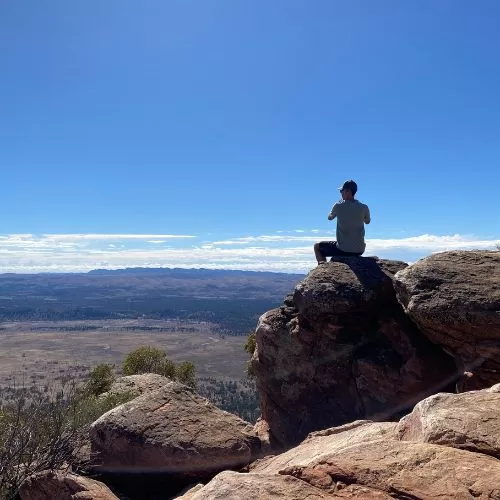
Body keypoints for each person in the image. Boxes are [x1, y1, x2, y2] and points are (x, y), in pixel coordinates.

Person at [314, 180, 371, 264]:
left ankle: (323, 267)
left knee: (317, 246)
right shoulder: (364, 207)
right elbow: (367, 221)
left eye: (342, 191)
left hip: (343, 249)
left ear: (348, 191)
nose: (340, 193)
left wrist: (334, 209)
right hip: (360, 250)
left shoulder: (338, 206)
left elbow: (330, 217)